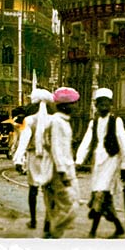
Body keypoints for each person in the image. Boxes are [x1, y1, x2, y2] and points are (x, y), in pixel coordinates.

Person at [75, 87, 125, 239]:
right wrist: (78, 160)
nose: (103, 107)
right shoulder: (94, 122)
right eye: (100, 104)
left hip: (112, 161)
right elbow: (86, 141)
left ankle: (92, 231)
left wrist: (124, 165)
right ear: (96, 105)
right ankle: (118, 227)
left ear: (111, 105)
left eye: (106, 104)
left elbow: (123, 143)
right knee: (103, 197)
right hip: (98, 162)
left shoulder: (116, 121)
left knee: (100, 193)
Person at [12, 88, 56, 233]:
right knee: (49, 191)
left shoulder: (29, 120)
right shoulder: (53, 120)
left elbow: (23, 141)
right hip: (48, 158)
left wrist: (18, 159)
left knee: (33, 189)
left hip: (33, 158)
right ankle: (48, 220)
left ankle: (33, 220)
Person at [43, 87, 80, 239]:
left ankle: (52, 232)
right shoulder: (57, 122)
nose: (76, 107)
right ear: (66, 105)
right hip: (61, 172)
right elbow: (56, 147)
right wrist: (62, 171)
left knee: (56, 206)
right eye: (74, 103)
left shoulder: (59, 121)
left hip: (59, 169)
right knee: (72, 205)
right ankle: (54, 232)